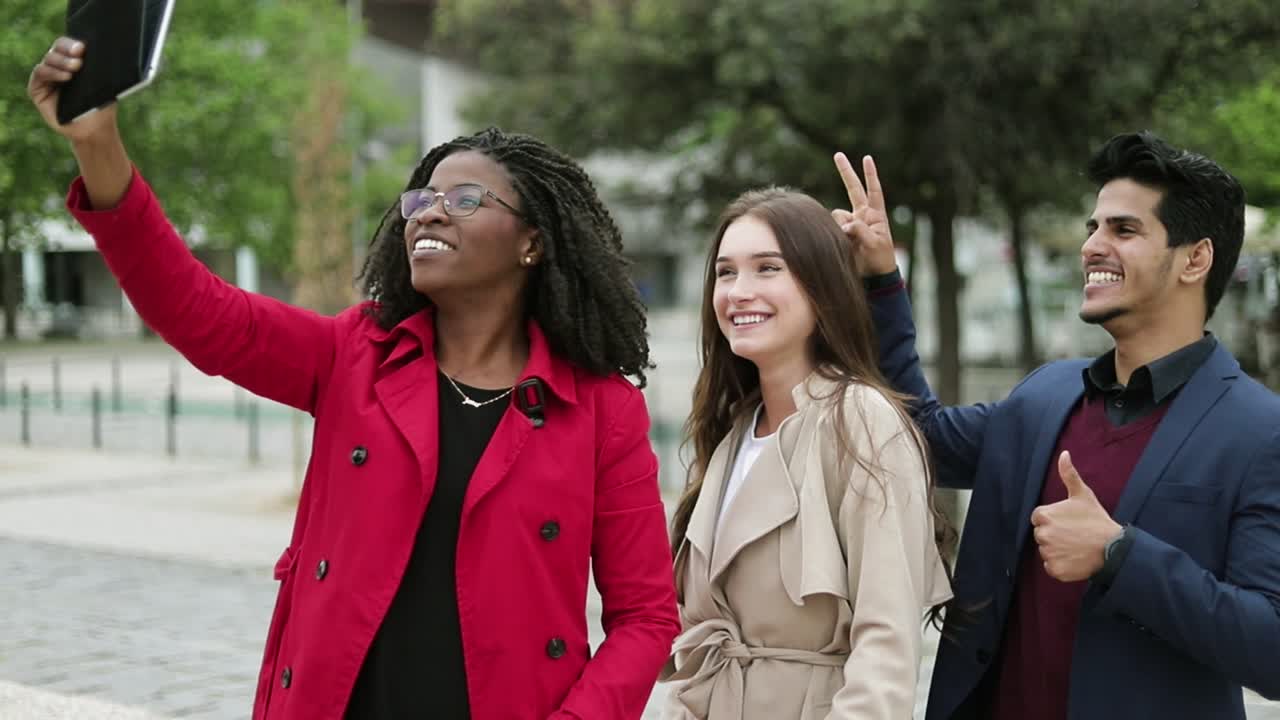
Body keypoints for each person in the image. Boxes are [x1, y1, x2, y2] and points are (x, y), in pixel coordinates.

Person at [29, 37, 680, 720]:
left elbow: (646, 616)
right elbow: (195, 310)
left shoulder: (601, 409)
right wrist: (97, 144)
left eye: (465, 199)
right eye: (421, 198)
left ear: (533, 242)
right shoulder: (354, 354)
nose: (429, 211)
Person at [836, 134, 1280, 720]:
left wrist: (1119, 555)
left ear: (1195, 260)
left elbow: (1271, 647)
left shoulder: (1260, 430)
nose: (1092, 246)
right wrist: (880, 281)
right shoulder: (1045, 395)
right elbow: (921, 438)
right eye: (1093, 228)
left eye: (1123, 230)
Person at [660, 187, 954, 719]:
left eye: (767, 268)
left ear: (823, 288)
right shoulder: (728, 433)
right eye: (725, 273)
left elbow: (886, 650)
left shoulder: (862, 421)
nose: (739, 292)